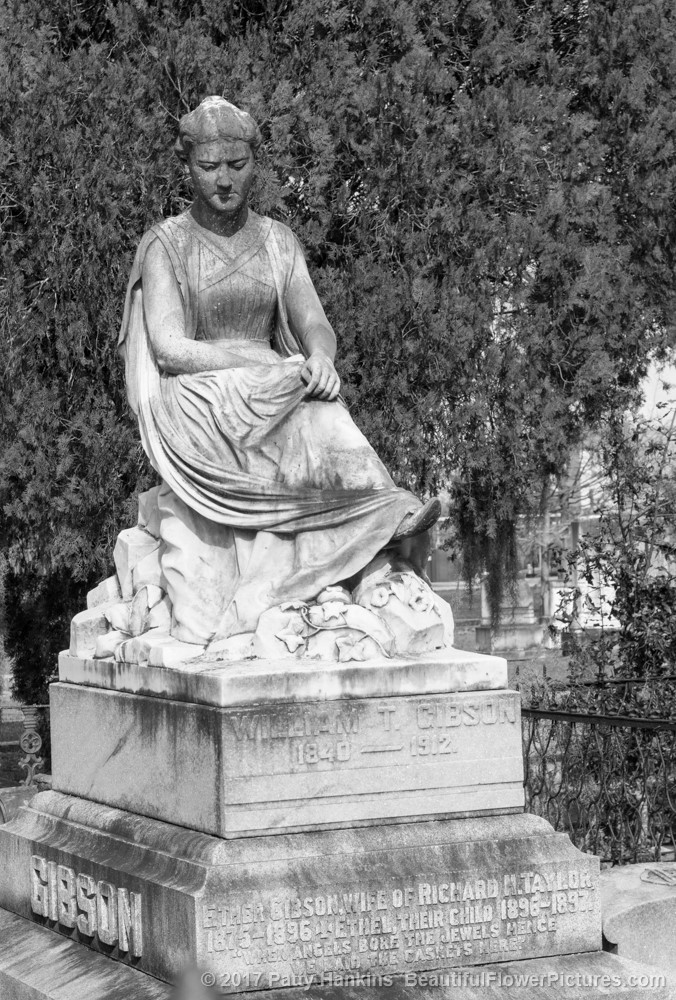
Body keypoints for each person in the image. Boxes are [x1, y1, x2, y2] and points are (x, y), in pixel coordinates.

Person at [118, 96, 440, 646]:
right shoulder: (166, 245)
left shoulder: (277, 241)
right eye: (209, 167)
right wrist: (260, 361)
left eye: (237, 166)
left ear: (254, 164)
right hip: (197, 390)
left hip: (273, 380)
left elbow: (314, 323)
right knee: (287, 390)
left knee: (321, 406)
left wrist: (319, 358)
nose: (224, 180)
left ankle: (379, 509)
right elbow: (170, 348)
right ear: (187, 166)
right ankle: (370, 518)